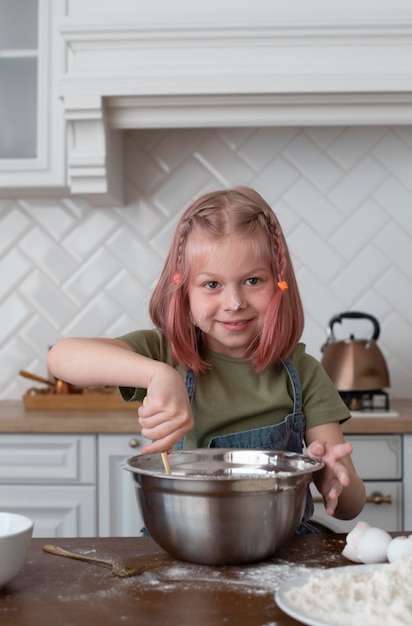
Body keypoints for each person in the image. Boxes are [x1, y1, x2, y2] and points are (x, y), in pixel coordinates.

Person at [47, 186, 366, 529]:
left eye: (252, 280)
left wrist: (336, 479)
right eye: (212, 285)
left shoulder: (302, 373)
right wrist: (159, 376)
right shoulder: (166, 354)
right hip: (183, 541)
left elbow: (351, 507)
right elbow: (62, 356)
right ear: (184, 291)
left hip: (280, 547)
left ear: (279, 284)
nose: (234, 302)